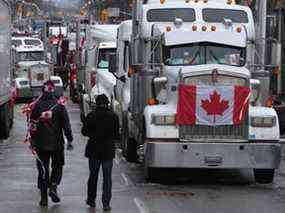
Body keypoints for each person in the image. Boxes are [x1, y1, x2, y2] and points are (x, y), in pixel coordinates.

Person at [30, 80, 74, 206]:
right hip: (57, 144)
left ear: (42, 90)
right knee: (57, 166)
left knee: (43, 170)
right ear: (53, 90)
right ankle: (54, 186)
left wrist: (33, 140)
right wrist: (69, 139)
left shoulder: (36, 106)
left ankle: (44, 198)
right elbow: (66, 123)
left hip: (41, 144)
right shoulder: (59, 105)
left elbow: (32, 124)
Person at [81, 94, 119, 211]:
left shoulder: (91, 116)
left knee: (93, 176)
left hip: (94, 151)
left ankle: (91, 200)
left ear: (96, 104)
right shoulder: (113, 116)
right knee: (107, 177)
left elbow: (84, 132)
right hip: (108, 151)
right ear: (107, 103)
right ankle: (106, 203)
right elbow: (116, 133)